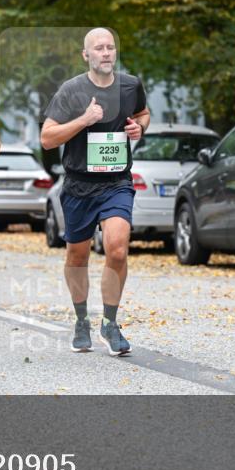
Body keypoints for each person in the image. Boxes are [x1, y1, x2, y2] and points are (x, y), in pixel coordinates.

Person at [40, 28, 150, 356]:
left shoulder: (130, 86)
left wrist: (139, 127)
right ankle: (81, 320)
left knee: (117, 249)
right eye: (98, 48)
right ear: (85, 55)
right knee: (77, 256)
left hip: (116, 182)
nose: (105, 53)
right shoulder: (71, 90)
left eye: (110, 47)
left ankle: (110, 323)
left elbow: (143, 114)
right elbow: (47, 138)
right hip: (79, 184)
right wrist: (84, 120)